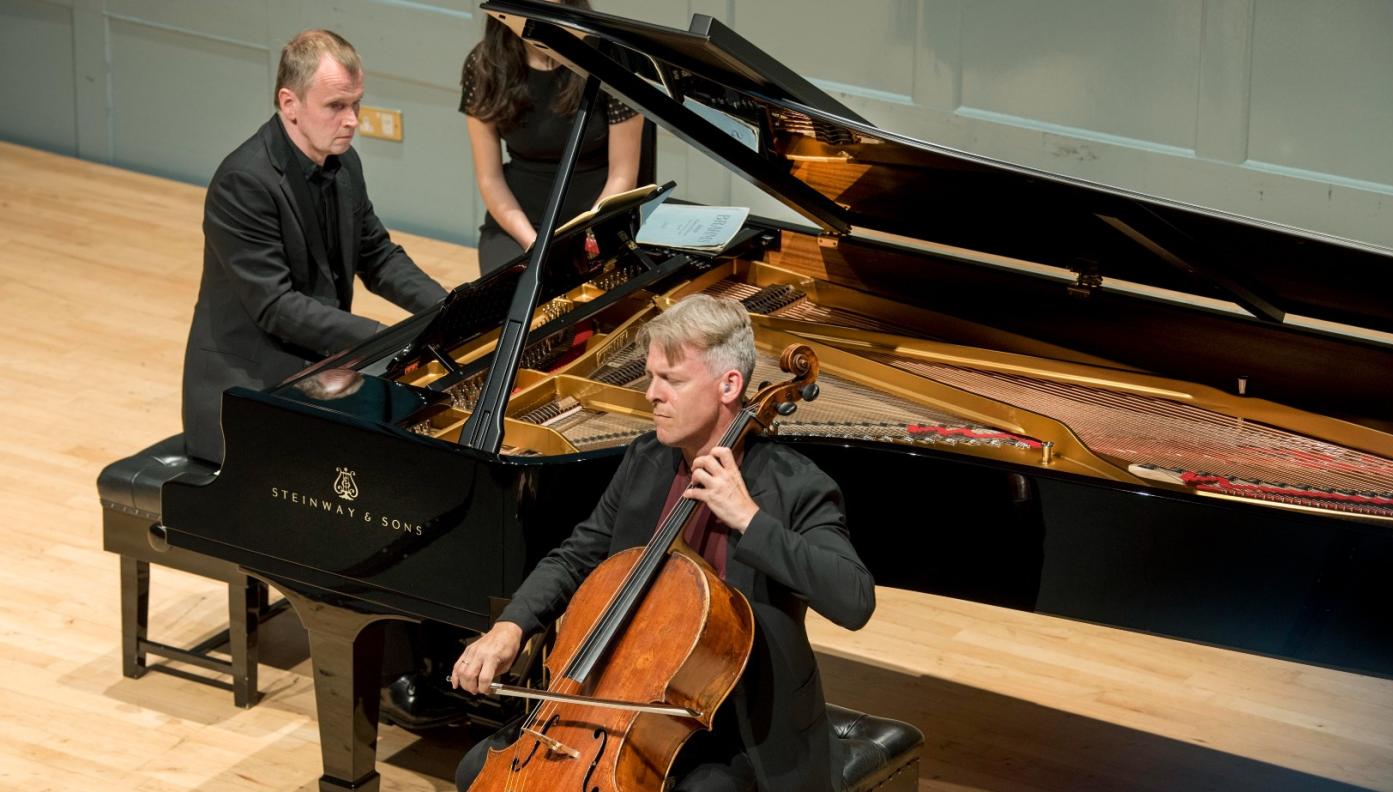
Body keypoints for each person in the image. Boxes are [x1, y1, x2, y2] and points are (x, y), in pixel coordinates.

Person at [450, 295, 876, 791]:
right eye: (651, 376)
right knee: (476, 771)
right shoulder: (647, 459)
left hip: (738, 728)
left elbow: (855, 600)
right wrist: (511, 627)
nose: (651, 394)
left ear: (729, 386)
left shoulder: (795, 486)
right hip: (622, 697)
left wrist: (750, 520)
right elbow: (577, 555)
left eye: (670, 380)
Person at [181, 29, 448, 464]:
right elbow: (276, 305)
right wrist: (386, 340)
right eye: (336, 106)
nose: (352, 120)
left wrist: (447, 310)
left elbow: (378, 256)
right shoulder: (244, 181)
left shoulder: (344, 164)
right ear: (290, 104)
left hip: (322, 365)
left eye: (356, 103)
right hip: (251, 385)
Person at [459, 0, 644, 275]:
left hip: (596, 223)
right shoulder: (484, 63)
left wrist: (587, 233)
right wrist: (532, 242)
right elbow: (490, 178)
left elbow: (623, 174)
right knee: (502, 307)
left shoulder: (609, 58)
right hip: (517, 223)